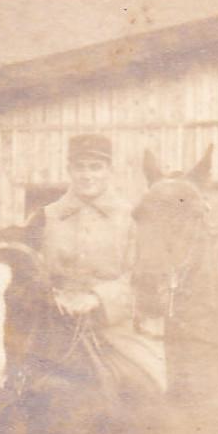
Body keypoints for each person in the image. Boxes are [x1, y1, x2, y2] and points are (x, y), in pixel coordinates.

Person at [29, 133, 165, 403]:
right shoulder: (47, 216)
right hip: (53, 322)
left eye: (96, 167)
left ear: (109, 171)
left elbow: (140, 277)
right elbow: (31, 269)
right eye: (80, 167)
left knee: (153, 384)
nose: (87, 175)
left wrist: (96, 299)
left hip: (115, 326)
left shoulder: (132, 218)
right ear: (69, 170)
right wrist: (52, 295)